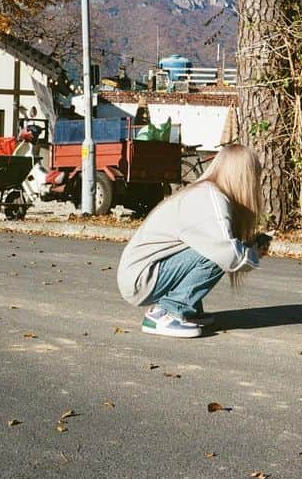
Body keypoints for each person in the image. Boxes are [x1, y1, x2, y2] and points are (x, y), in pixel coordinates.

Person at [116, 144, 271, 338]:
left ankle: (188, 309)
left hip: (142, 273)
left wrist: (248, 247)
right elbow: (227, 253)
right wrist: (252, 255)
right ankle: (169, 311)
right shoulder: (211, 197)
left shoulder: (207, 192)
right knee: (215, 252)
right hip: (141, 278)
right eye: (255, 174)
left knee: (214, 248)